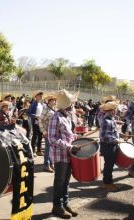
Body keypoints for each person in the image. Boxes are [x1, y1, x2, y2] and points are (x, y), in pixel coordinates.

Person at [48, 89, 81, 218]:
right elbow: (52, 138)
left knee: (66, 182)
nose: (73, 104)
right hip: (60, 155)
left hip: (68, 154)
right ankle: (57, 207)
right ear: (66, 104)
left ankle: (65, 204)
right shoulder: (55, 116)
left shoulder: (66, 116)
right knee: (60, 182)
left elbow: (67, 134)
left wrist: (74, 136)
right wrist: (70, 146)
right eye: (71, 102)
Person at [100, 101, 123, 191]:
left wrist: (121, 135)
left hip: (111, 145)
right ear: (111, 111)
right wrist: (116, 140)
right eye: (115, 109)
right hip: (107, 146)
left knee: (110, 164)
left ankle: (109, 182)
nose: (116, 111)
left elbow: (112, 132)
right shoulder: (106, 121)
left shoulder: (112, 119)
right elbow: (105, 136)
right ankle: (106, 183)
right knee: (108, 165)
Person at [38, 93, 57, 172]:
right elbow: (40, 120)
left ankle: (51, 163)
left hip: (53, 132)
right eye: (54, 100)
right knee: (48, 149)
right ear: (50, 101)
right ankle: (46, 165)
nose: (55, 102)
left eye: (55, 100)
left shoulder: (54, 109)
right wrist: (44, 131)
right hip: (48, 132)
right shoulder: (46, 109)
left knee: (52, 149)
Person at [28, 90, 45, 156]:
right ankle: (33, 151)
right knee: (35, 136)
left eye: (41, 95)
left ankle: (39, 150)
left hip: (41, 122)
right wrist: (35, 116)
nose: (41, 96)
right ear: (36, 96)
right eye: (39, 95)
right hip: (35, 121)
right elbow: (28, 113)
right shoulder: (33, 104)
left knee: (40, 136)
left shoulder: (42, 104)